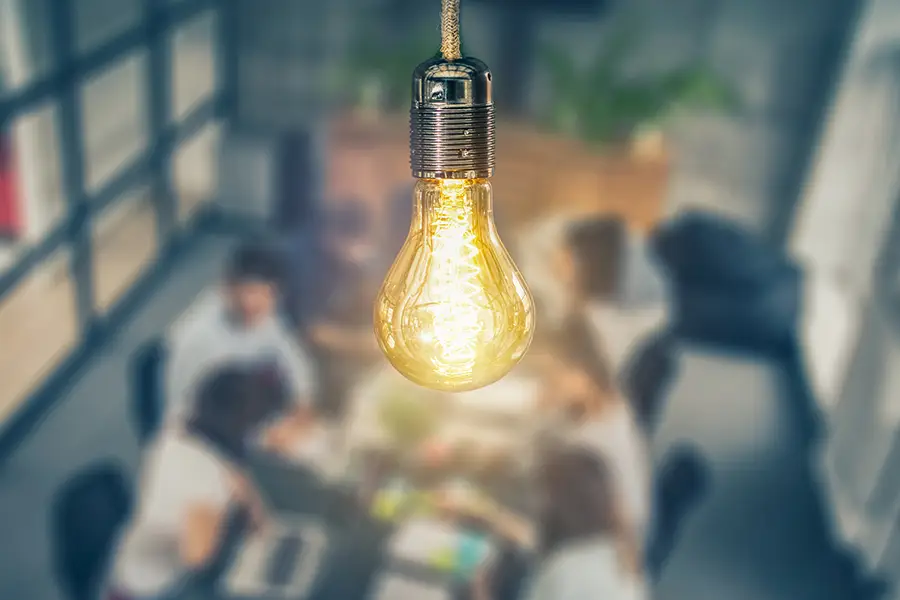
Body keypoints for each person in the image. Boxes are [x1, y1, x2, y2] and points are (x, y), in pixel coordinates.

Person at [105, 366, 288, 600]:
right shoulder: (204, 478)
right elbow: (198, 557)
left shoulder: (183, 421)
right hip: (152, 588)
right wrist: (225, 517)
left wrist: (261, 518)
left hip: (132, 560)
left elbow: (236, 474)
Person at [166, 241, 316, 447]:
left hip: (247, 425)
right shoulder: (195, 340)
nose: (253, 304)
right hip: (204, 441)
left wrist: (300, 409)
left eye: (265, 295)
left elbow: (295, 365)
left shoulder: (265, 316)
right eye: (246, 293)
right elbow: (181, 420)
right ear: (226, 287)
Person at [449, 448, 647, 600]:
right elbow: (535, 541)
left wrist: (480, 592)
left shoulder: (566, 572)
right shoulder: (611, 547)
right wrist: (489, 513)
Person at [537, 333, 651, 553]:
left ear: (583, 375)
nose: (547, 387)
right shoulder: (613, 407)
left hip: (604, 544)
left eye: (553, 378)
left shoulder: (592, 444)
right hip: (608, 532)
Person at [285, 201, 386, 418]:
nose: (361, 249)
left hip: (337, 316)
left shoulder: (348, 251)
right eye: (354, 242)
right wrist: (365, 344)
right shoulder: (305, 266)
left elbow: (365, 284)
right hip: (299, 342)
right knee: (349, 380)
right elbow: (316, 332)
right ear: (330, 236)